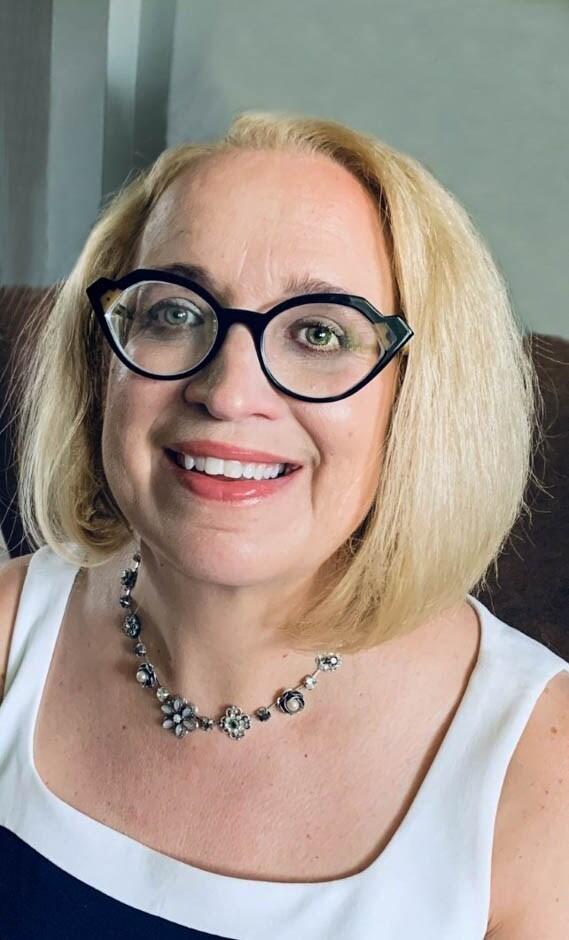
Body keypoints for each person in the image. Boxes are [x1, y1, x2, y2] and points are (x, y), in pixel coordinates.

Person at [0, 110, 567, 939]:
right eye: (174, 313)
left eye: (319, 333)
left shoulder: (541, 776)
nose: (228, 393)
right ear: (100, 361)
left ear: (420, 398)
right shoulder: (7, 634)